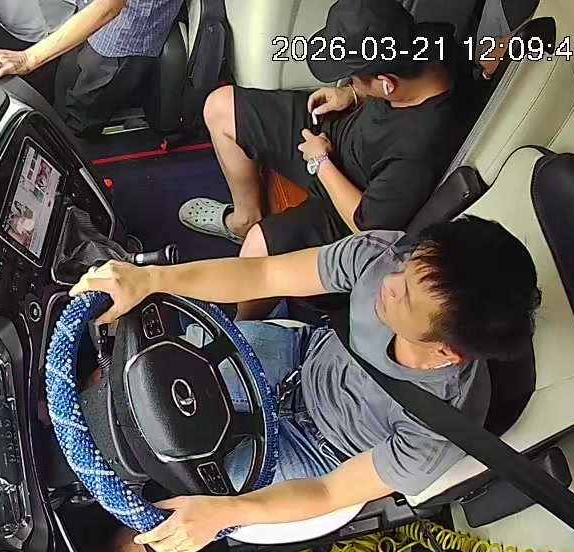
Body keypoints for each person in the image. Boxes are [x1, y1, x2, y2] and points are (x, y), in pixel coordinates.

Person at [68, 217, 541, 552]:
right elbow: (264, 275)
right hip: (301, 358)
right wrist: (152, 280)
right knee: (151, 369)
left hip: (325, 459)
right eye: (409, 267)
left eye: (408, 297)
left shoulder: (438, 429)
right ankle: (89, 404)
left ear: (447, 352)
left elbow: (326, 491)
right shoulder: (385, 257)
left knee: (173, 522)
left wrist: (219, 514)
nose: (390, 282)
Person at [178, 0, 478, 320]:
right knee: (220, 107)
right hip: (335, 136)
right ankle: (244, 218)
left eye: (354, 77)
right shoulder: (427, 43)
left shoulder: (418, 151)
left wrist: (321, 162)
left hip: (349, 201)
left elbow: (366, 225)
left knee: (256, 252)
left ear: (387, 83)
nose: (351, 81)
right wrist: (352, 95)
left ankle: (245, 329)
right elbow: (382, 83)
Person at [0, 0, 184, 138]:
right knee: (65, 90)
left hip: (121, 37)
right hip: (89, 18)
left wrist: (27, 59)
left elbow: (109, 6)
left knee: (80, 115)